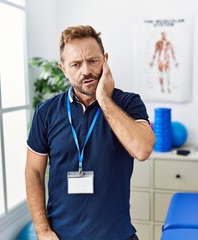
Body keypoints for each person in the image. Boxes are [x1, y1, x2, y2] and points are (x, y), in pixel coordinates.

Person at [25, 25, 155, 240]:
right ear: (63, 68)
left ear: (105, 60)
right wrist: (42, 230)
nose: (86, 71)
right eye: (76, 64)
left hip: (117, 235)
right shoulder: (46, 112)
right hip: (61, 236)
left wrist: (104, 99)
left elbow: (142, 149)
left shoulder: (128, 103)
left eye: (93, 61)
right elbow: (33, 172)